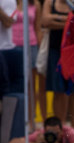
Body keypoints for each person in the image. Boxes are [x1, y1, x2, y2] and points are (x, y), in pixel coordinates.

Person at [41, 0, 74, 129]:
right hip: (56, 51)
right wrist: (67, 20)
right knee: (58, 90)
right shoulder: (50, 2)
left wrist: (55, 20)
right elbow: (44, 21)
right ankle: (60, 126)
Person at [12, 0, 42, 130]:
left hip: (31, 45)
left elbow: (38, 27)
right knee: (17, 85)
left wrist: (40, 49)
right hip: (13, 46)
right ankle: (16, 120)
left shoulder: (34, 4)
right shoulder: (10, 3)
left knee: (31, 85)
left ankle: (31, 120)